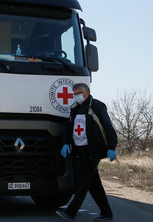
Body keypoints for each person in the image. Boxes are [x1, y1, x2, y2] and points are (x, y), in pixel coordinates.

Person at [56, 83, 118, 222]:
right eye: (74, 94)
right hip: (80, 151)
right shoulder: (75, 108)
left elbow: (108, 126)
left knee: (83, 183)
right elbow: (69, 127)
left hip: (93, 151)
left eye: (77, 93)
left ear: (86, 92)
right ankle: (106, 213)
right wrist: (66, 143)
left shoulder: (97, 106)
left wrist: (112, 146)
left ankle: (70, 212)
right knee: (93, 184)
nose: (75, 96)